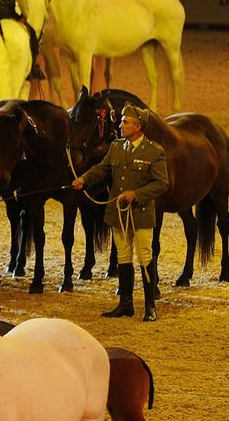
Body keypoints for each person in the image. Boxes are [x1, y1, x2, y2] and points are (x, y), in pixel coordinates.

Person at [71, 105, 169, 321]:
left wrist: (137, 193)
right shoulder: (116, 147)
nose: (120, 125)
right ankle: (126, 304)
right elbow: (103, 169)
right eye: (122, 121)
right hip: (119, 213)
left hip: (140, 213)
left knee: (145, 256)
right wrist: (85, 179)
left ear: (138, 126)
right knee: (123, 257)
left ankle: (150, 306)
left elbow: (162, 184)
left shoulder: (154, 152)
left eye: (125, 122)